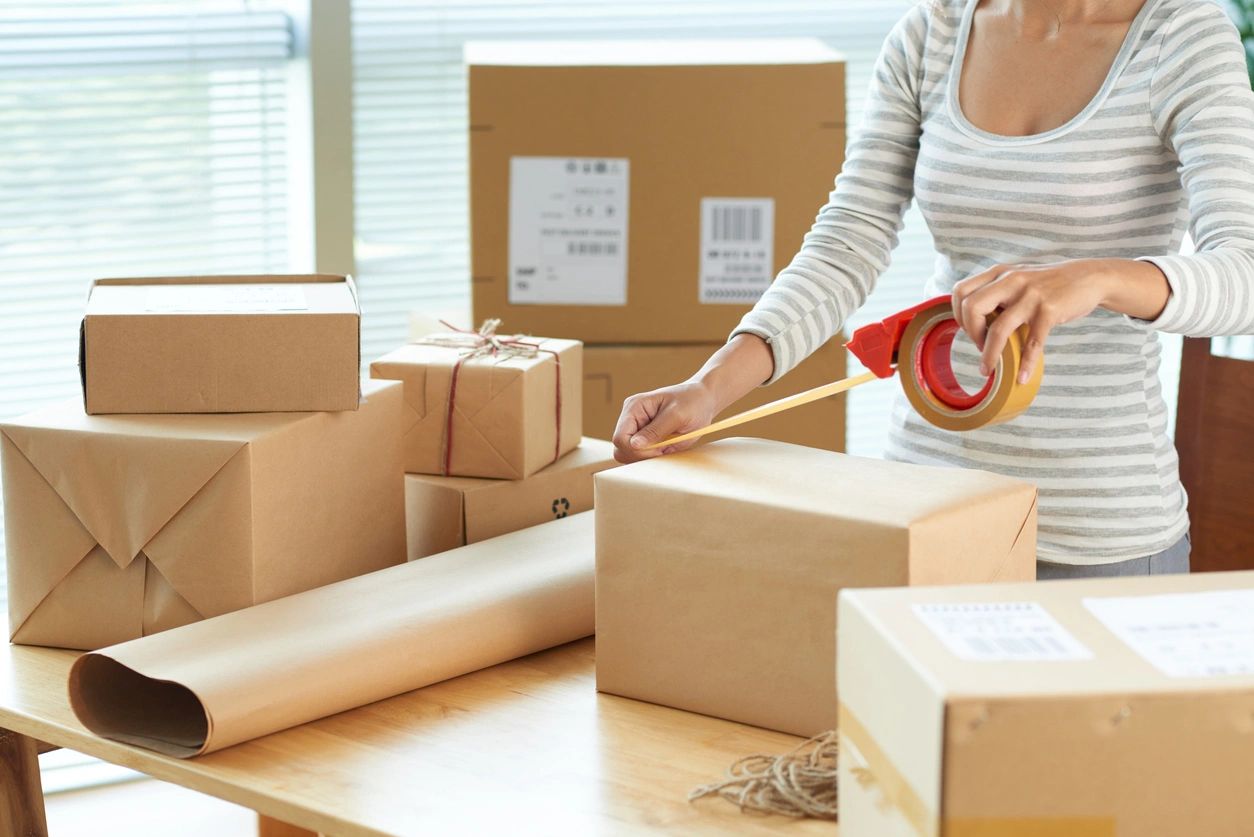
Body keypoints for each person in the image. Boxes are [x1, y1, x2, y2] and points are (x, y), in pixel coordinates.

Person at [611, 0, 1254, 579]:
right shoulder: (932, 34)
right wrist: (710, 386)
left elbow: (1244, 274)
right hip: (922, 504)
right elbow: (846, 242)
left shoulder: (1182, 39)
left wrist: (1103, 275)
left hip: (1092, 533)